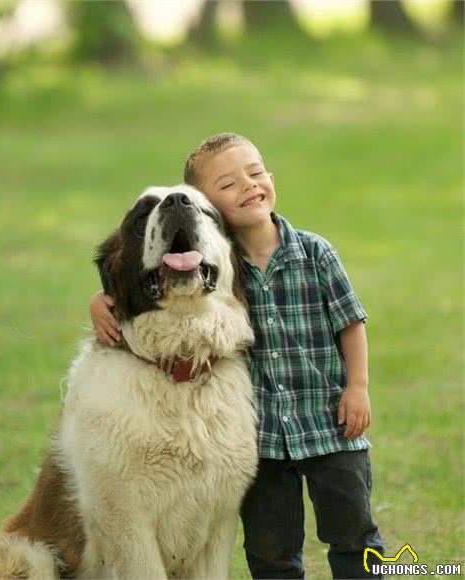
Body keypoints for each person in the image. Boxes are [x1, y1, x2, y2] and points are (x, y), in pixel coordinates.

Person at [89, 132, 385, 579]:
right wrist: (101, 299)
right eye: (227, 186)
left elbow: (352, 321)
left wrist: (358, 387)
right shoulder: (221, 266)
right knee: (270, 550)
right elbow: (144, 271)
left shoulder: (315, 253)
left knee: (354, 532)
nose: (247, 187)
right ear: (213, 213)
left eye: (255, 173)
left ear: (272, 179)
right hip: (265, 439)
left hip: (330, 423)